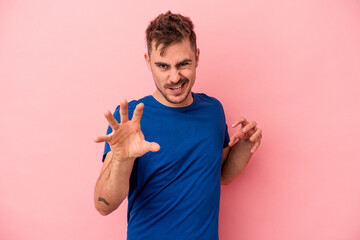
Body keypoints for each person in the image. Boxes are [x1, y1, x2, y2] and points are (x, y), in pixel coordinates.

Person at [93, 11, 262, 240]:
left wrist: (243, 147)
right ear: (148, 62)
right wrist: (123, 159)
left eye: (183, 64)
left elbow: (222, 175)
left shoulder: (213, 111)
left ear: (197, 57)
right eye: (163, 66)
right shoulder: (131, 119)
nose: (174, 77)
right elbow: (104, 206)